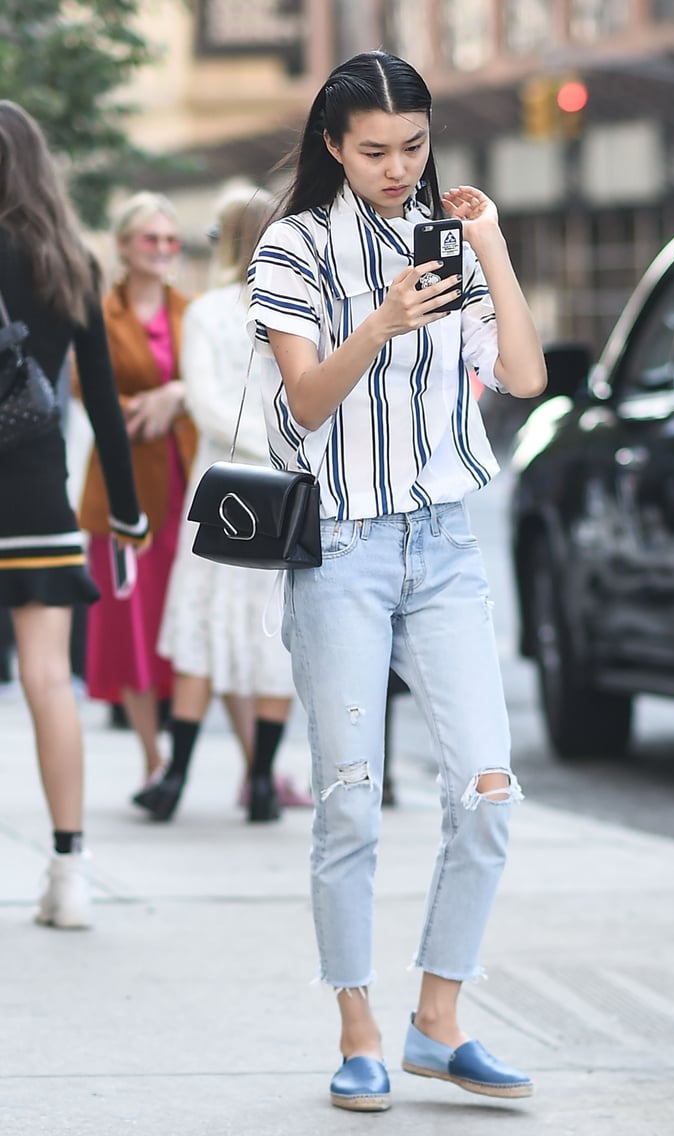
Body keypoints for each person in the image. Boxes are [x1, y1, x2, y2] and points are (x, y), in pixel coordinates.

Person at [247, 51, 547, 1111]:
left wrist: (491, 246)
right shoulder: (295, 247)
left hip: (443, 540)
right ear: (332, 144)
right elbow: (308, 400)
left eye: (413, 146)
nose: (396, 167)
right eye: (373, 149)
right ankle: (359, 1028)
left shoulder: (446, 238)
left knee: (488, 790)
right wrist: (378, 322)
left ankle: (439, 1018)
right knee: (350, 803)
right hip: (342, 547)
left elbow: (521, 375)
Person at [0, 101, 148, 928]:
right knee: (51, 681)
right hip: (37, 499)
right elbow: (106, 409)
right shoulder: (71, 263)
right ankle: (69, 872)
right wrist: (124, 516)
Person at [136, 184, 310, 823]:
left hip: (225, 488)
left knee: (202, 630)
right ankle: (260, 781)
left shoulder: (207, 311)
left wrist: (252, 448)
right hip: (288, 487)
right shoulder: (299, 305)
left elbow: (206, 403)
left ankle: (175, 778)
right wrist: (285, 446)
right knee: (271, 635)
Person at [76, 192, 197, 791]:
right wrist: (138, 406)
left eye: (170, 239)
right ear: (124, 246)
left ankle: (192, 754)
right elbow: (82, 386)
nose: (162, 250)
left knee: (188, 620)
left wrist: (174, 394)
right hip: (123, 496)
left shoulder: (190, 311)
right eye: (150, 239)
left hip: (185, 487)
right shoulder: (100, 314)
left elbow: (215, 378)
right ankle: (153, 759)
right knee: (133, 626)